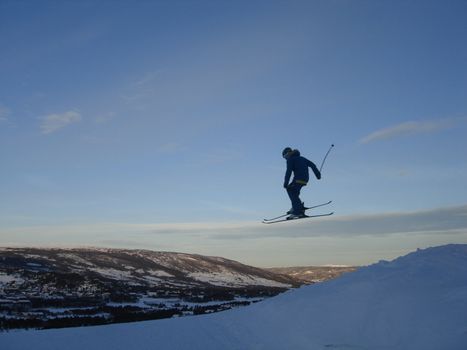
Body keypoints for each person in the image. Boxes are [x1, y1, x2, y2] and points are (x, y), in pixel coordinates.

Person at [282, 147, 321, 219]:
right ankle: (297, 207)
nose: (285, 159)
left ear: (287, 154)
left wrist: (285, 183)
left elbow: (288, 172)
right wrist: (318, 174)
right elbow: (313, 165)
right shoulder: (302, 158)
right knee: (294, 191)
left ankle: (297, 212)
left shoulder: (290, 159)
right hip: (305, 179)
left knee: (290, 190)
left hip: (298, 179)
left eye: (285, 157)